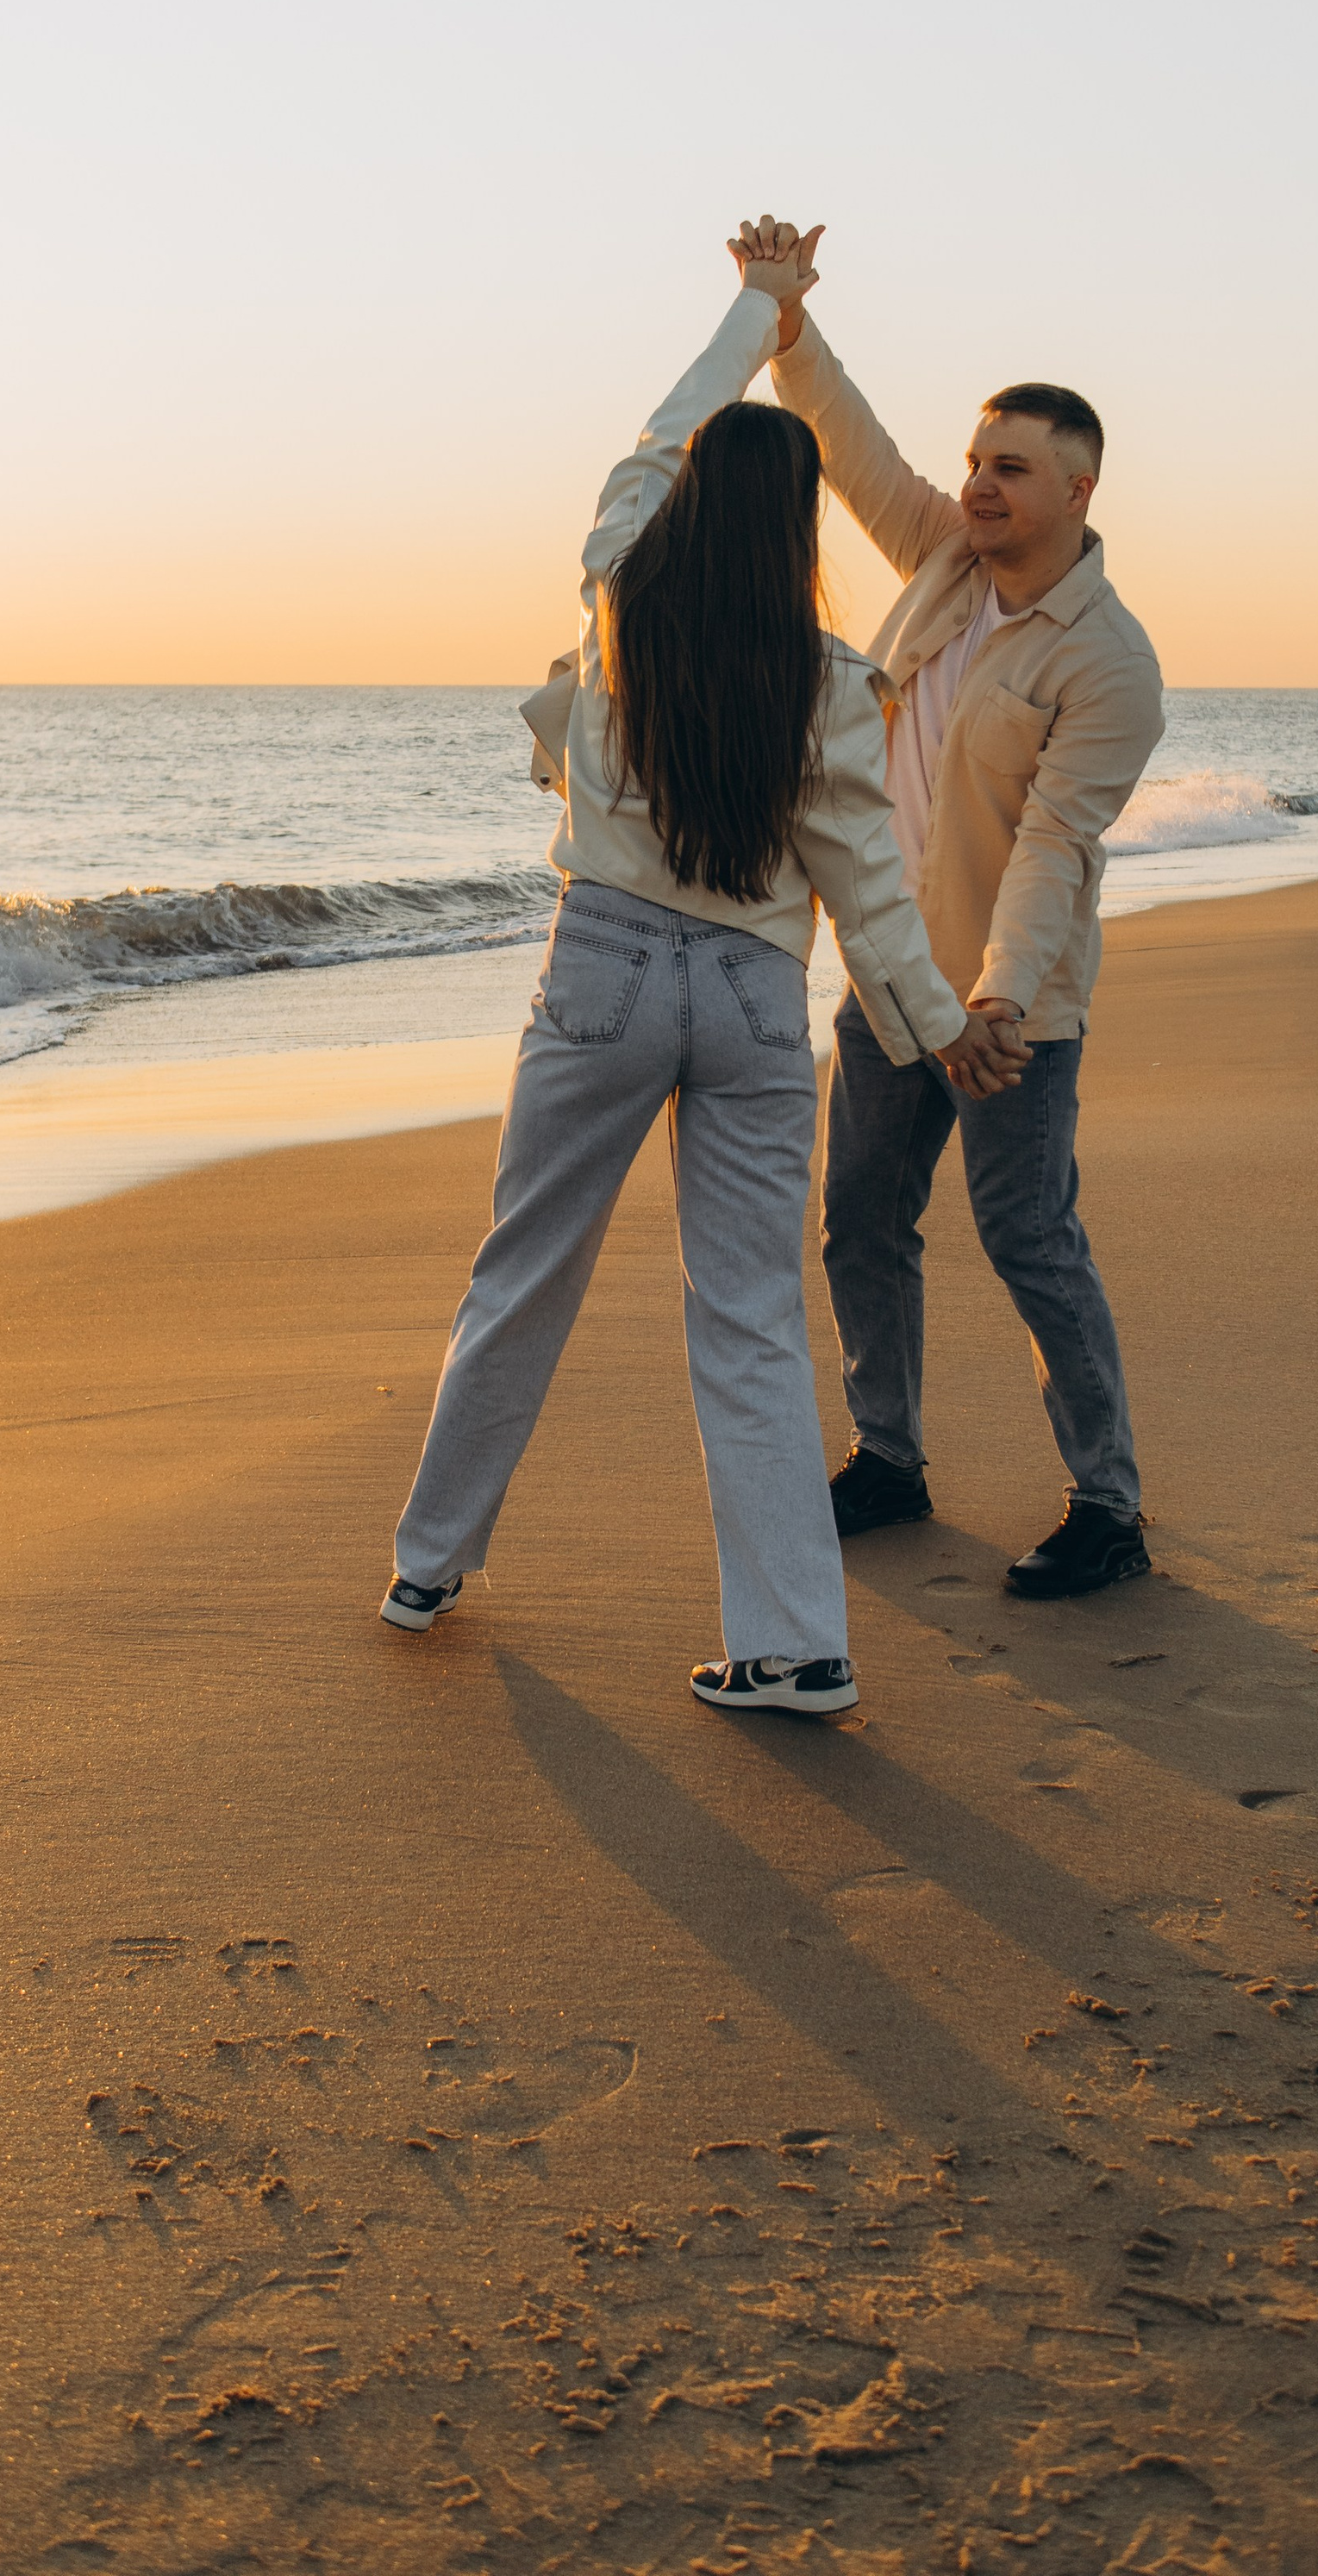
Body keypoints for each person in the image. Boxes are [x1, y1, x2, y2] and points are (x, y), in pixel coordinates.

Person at [384, 225, 1021, 1713]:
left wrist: (761, 306)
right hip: (748, 995)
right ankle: (797, 1646)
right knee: (747, 1315)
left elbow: (659, 430)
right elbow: (868, 891)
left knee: (522, 1270)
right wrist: (939, 1031)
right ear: (801, 527)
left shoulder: (617, 592)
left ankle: (429, 1563)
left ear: (680, 505)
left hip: (601, 971)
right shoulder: (831, 683)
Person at [741, 217, 1165, 1601]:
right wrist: (789, 321)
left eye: (1010, 468)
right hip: (884, 976)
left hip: (1007, 1004)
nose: (976, 486)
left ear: (1081, 488)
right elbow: (854, 446)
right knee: (859, 1224)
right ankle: (891, 1458)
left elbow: (1057, 846)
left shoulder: (1109, 663)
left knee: (1029, 1237)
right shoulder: (939, 561)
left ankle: (1107, 1505)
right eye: (976, 461)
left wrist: (994, 1003)